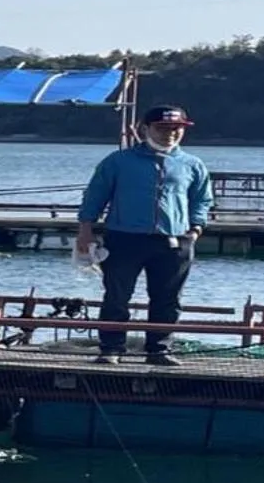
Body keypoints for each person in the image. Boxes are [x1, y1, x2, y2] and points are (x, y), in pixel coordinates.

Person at [74, 104, 214, 366]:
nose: (170, 134)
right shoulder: (118, 161)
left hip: (175, 240)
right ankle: (111, 348)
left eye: (176, 129)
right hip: (124, 237)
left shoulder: (192, 164)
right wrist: (85, 230)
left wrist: (196, 228)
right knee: (117, 296)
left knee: (168, 299)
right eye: (163, 128)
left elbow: (202, 199)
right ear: (145, 128)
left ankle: (159, 349)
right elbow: (94, 196)